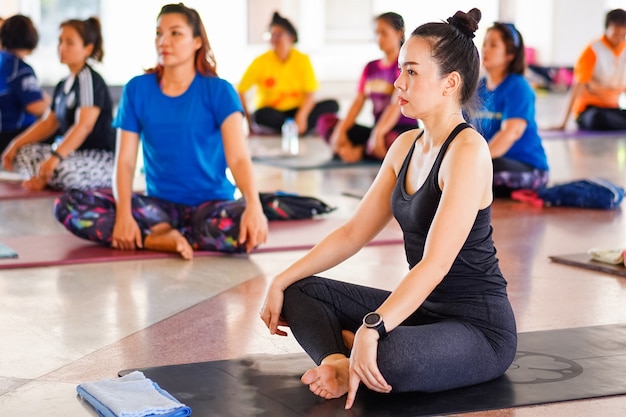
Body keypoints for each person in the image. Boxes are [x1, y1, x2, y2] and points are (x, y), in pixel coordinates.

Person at [260, 8, 517, 410]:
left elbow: (434, 264)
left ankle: (357, 358)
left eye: (412, 72)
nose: (398, 82)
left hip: (478, 328)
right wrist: (278, 279)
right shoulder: (404, 147)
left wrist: (373, 326)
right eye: (401, 70)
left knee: (389, 356)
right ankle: (338, 362)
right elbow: (352, 234)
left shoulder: (468, 151)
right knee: (300, 290)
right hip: (420, 310)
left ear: (450, 83)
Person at [53, 3, 268, 259]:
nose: (164, 41)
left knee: (245, 232)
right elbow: (125, 162)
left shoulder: (220, 91)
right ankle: (160, 236)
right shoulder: (137, 89)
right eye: (159, 33)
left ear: (197, 41)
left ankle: (157, 237)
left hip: (211, 206)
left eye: (175, 33)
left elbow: (238, 158)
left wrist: (253, 205)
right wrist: (123, 216)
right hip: (156, 209)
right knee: (67, 206)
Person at [1, 17, 115, 191]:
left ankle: (44, 177)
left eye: (69, 43)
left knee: (62, 170)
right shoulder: (63, 84)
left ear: (88, 48)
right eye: (60, 41)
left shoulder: (89, 79)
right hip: (72, 155)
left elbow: (84, 126)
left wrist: (55, 157)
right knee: (25, 152)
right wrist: (15, 145)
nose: (61, 47)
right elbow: (48, 122)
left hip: (99, 157)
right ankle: (42, 177)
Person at [316, 12, 415, 163]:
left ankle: (359, 152)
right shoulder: (370, 67)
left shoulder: (403, 66)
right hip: (377, 129)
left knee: (394, 142)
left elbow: (395, 105)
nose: (379, 38)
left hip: (398, 130)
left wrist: (378, 133)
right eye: (376, 33)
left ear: (399, 33)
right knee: (325, 121)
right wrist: (340, 130)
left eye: (383, 33)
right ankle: (356, 150)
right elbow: (357, 103)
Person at [476, 22, 549, 197]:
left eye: (493, 45)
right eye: (485, 43)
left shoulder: (519, 86)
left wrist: (474, 161)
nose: (485, 49)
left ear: (510, 54)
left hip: (529, 169)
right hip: (492, 160)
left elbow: (511, 133)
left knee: (483, 171)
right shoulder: (478, 89)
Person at [237, 11, 339, 135]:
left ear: (291, 37)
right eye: (271, 34)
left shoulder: (303, 60)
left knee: (332, 105)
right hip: (274, 112)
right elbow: (241, 90)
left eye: (278, 34)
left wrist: (301, 117)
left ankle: (296, 127)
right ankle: (294, 128)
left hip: (298, 110)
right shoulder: (260, 61)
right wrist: (248, 122)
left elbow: (310, 94)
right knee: (260, 115)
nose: (274, 39)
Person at [556, 8, 626, 131]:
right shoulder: (593, 50)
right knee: (597, 118)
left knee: (611, 118)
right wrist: (563, 123)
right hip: (588, 109)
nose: (620, 32)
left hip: (612, 108)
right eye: (616, 27)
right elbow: (577, 87)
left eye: (623, 28)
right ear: (608, 27)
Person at [0, 14, 50, 154]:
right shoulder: (20, 70)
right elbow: (36, 106)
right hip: (12, 134)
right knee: (57, 126)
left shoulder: (3, 61)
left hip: (4, 132)